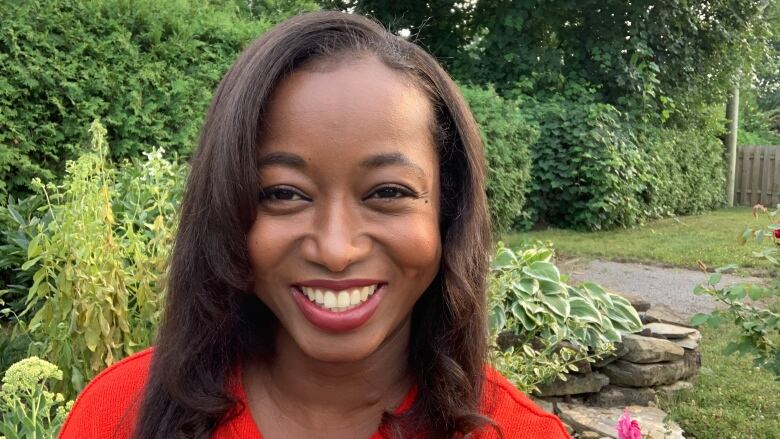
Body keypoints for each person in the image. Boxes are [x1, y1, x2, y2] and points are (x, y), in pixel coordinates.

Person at [59, 10, 569, 439]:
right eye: (283, 194)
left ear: (447, 211)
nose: (336, 249)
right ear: (226, 209)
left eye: (388, 192)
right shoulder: (116, 415)